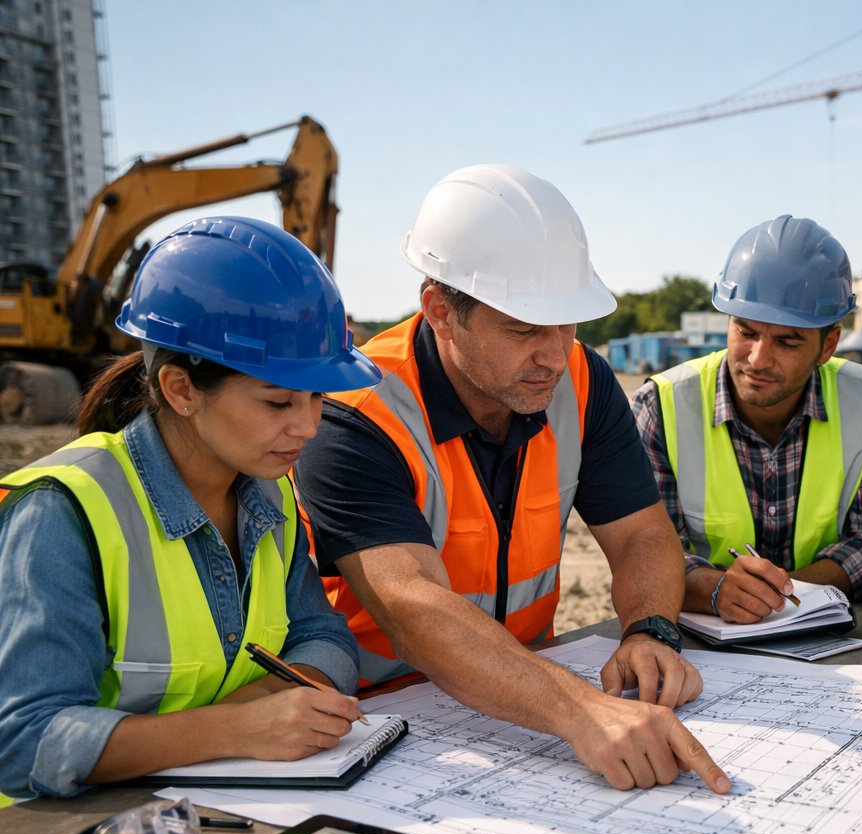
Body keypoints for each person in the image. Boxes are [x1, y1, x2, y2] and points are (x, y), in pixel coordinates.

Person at [0, 215, 377, 834]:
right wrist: (236, 728)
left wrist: (283, 699)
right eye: (278, 401)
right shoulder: (64, 510)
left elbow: (323, 635)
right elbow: (25, 742)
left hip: (212, 829)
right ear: (179, 389)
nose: (308, 426)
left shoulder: (270, 496)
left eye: (318, 397)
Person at [296, 164, 729, 795]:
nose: (554, 355)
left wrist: (650, 630)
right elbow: (414, 606)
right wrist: (583, 711)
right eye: (524, 329)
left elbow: (641, 534)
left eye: (567, 323)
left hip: (528, 697)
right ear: (440, 311)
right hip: (377, 725)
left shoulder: (581, 380)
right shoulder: (358, 413)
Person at [631, 215, 862, 624]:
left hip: (830, 629)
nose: (758, 359)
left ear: (828, 345)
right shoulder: (660, 406)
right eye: (746, 333)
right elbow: (648, 548)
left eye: (786, 342)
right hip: (702, 629)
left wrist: (779, 595)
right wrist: (715, 589)